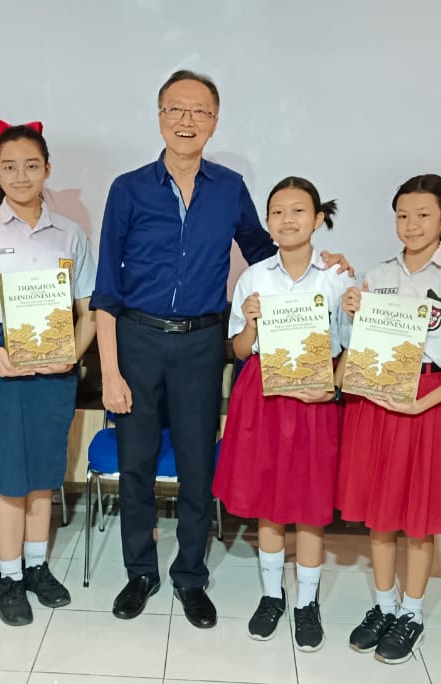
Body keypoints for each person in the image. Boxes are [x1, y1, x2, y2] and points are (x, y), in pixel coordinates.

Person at [92, 69, 348, 629]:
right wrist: (110, 370)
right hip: (137, 339)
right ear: (160, 115)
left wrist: (326, 263)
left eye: (199, 111)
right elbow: (106, 288)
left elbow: (268, 253)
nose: (187, 120)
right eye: (176, 109)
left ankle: (190, 576)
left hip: (203, 345)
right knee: (135, 465)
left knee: (196, 464)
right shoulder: (127, 189)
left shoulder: (229, 188)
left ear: (214, 121)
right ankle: (140, 572)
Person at [0, 119, 96, 627]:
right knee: (8, 476)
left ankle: (36, 567)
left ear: (47, 169)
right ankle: (9, 576)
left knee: (45, 473)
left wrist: (72, 353)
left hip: (54, 362)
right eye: (10, 167)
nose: (21, 176)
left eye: (31, 165)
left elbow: (90, 311)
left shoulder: (69, 233)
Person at [337, 174, 441, 664]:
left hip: (426, 400)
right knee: (380, 514)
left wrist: (425, 403)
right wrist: (353, 312)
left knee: (417, 519)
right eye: (403, 215)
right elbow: (359, 346)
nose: (411, 225)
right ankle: (384, 606)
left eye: (424, 215)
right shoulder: (378, 275)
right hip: (377, 398)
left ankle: (411, 613)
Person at [212, 176, 355, 652]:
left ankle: (306, 604)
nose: (287, 220)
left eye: (298, 211)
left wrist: (331, 389)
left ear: (318, 219)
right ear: (267, 221)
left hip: (314, 400)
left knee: (310, 507)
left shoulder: (337, 276)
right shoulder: (253, 277)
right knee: (268, 502)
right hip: (264, 396)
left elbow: (351, 347)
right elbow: (239, 349)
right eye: (277, 212)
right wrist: (251, 323)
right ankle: (272, 596)